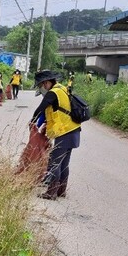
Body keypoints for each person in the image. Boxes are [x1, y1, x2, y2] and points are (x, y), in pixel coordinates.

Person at [30, 69, 82, 199]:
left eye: (42, 85)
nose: (42, 88)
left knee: (55, 161)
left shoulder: (53, 93)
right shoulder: (63, 89)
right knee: (64, 163)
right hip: (74, 130)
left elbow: (40, 108)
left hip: (64, 132)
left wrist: (32, 121)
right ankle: (61, 191)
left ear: (47, 83)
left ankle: (51, 192)